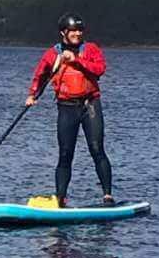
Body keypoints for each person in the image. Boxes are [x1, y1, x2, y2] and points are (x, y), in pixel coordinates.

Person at [25, 13, 113, 207]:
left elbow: (99, 69)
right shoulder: (52, 54)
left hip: (90, 105)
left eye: (80, 30)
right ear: (64, 32)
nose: (77, 34)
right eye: (73, 31)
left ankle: (107, 195)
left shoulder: (90, 49)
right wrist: (32, 95)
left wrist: (75, 60)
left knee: (97, 149)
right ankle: (61, 198)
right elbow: (40, 75)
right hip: (66, 107)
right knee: (65, 153)